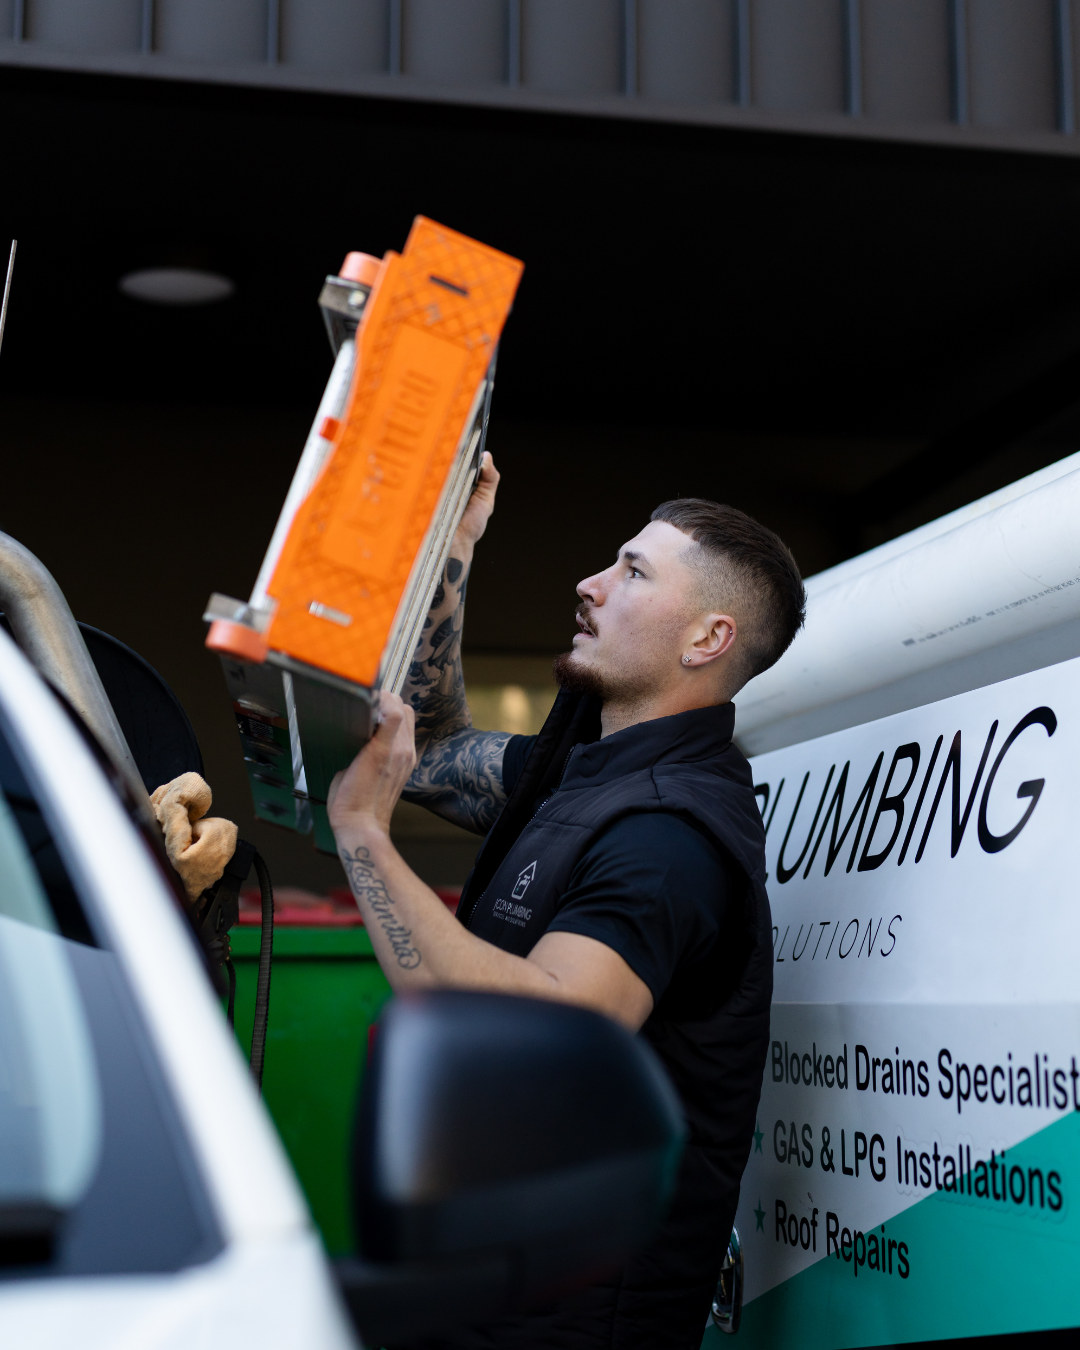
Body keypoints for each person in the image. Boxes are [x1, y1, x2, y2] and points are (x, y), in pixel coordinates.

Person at [327, 453, 806, 1350]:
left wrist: (363, 833)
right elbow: (430, 753)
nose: (588, 584)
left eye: (632, 572)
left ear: (706, 640)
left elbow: (549, 1035)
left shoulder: (673, 835)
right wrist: (452, 547)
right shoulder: (585, 769)